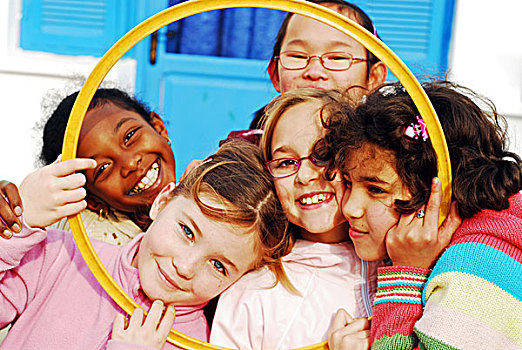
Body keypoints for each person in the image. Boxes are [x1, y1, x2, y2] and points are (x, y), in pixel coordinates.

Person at [0, 140, 294, 350]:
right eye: (187, 231)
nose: (185, 267)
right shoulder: (60, 255)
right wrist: (17, 229)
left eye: (218, 265)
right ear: (163, 201)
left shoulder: (196, 343)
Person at [321, 80, 521, 349]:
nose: (349, 208)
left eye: (375, 189)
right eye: (347, 183)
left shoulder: (476, 267)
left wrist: (406, 273)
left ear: (440, 188)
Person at [210, 88, 384, 349]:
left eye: (323, 153)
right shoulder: (253, 295)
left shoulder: (401, 256)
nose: (305, 175)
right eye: (285, 163)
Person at [0, 88, 177, 245]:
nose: (130, 164)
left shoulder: (201, 189)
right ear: (93, 202)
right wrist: (18, 214)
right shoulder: (96, 244)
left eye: (130, 136)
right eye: (103, 168)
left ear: (158, 127)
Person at [248, 0, 388, 130]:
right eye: (298, 56)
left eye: (337, 58)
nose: (314, 72)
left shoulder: (387, 151)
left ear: (374, 78)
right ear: (275, 75)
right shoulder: (249, 151)